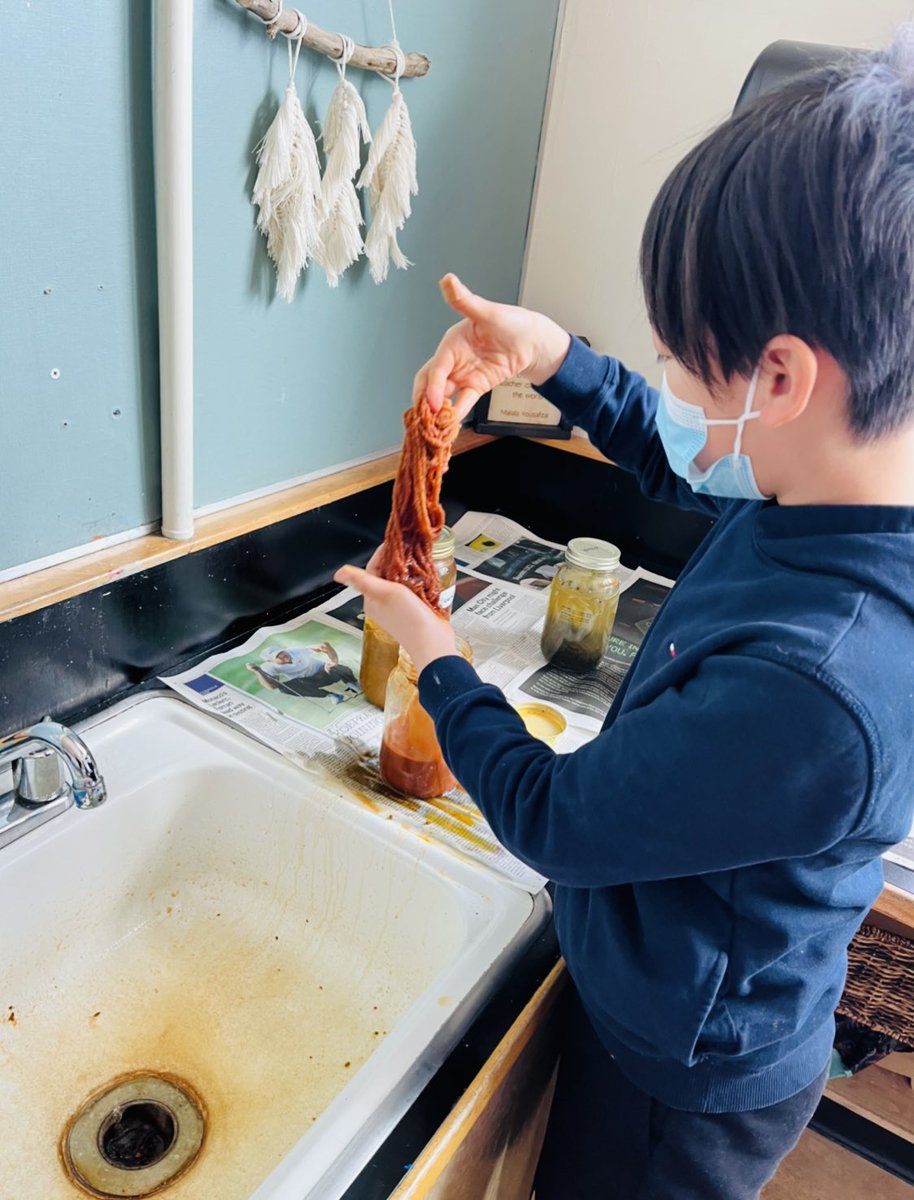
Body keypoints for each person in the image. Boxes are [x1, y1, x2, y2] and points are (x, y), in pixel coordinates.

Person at [337, 33, 914, 1200]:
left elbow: (558, 819)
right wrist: (547, 357)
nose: (674, 392)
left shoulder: (822, 684)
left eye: (683, 364)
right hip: (659, 996)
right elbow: (685, 456)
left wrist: (439, 661)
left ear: (784, 378)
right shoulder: (833, 487)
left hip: (684, 1074)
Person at [246, 642, 360, 705]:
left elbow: (324, 645)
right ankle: (331, 695)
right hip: (308, 682)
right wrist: (258, 671)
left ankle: (352, 683)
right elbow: (272, 686)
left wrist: (333, 661)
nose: (283, 655)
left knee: (338, 667)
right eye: (277, 656)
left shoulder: (293, 651)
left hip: (324, 671)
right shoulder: (268, 667)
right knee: (284, 688)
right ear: (270, 660)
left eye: (281, 652)